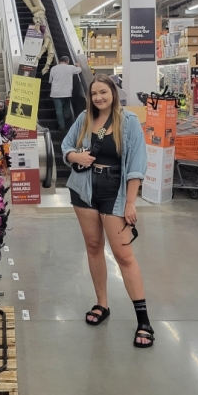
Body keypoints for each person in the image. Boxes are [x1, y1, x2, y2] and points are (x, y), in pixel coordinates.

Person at [61, 74, 154, 348]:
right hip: (84, 189)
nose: (99, 98)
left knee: (124, 255)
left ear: (113, 92)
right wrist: (74, 156)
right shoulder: (85, 119)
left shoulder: (129, 122)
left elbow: (137, 163)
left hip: (115, 189)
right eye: (94, 94)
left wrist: (131, 202)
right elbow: (66, 146)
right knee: (93, 247)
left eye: (103, 92)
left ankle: (144, 320)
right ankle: (102, 303)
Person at [48, 56, 82, 131]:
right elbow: (79, 70)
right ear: (68, 61)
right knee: (67, 105)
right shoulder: (70, 67)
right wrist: (78, 66)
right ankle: (66, 116)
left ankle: (62, 126)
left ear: (60, 61)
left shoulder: (54, 68)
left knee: (58, 110)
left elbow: (50, 80)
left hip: (56, 93)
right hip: (67, 92)